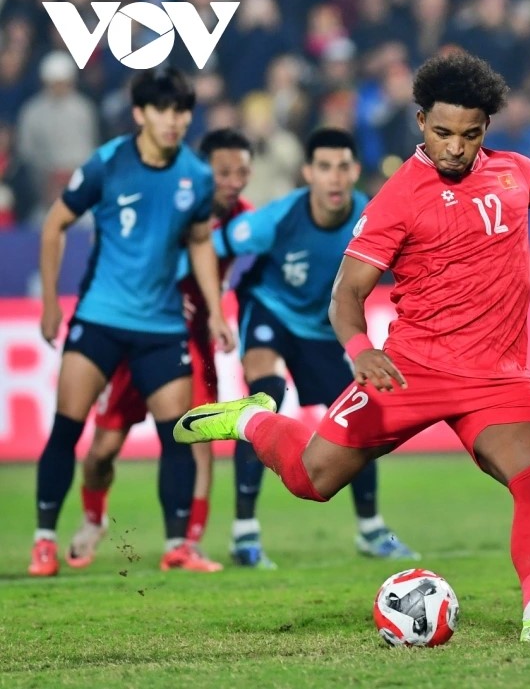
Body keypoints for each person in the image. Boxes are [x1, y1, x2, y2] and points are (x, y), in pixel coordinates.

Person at [174, 52, 530, 641]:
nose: (455, 148)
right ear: (420, 122)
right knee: (312, 480)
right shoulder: (398, 198)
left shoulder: (514, 172)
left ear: (486, 128)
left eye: (469, 134)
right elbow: (346, 293)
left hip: (497, 377)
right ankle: (252, 419)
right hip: (411, 369)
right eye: (442, 133)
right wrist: (360, 349)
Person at [30, 67, 235, 577]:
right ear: (141, 113)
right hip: (99, 319)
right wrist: (51, 303)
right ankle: (44, 541)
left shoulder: (196, 175)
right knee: (68, 430)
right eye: (164, 110)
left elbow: (199, 242)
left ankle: (177, 546)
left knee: (178, 437)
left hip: (161, 327)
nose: (174, 120)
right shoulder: (108, 163)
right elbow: (55, 224)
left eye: (182, 111)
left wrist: (214, 311)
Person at [216, 127, 416, 567]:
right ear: (308, 173)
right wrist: (208, 304)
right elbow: (213, 243)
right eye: (324, 167)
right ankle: (244, 534)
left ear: (355, 171)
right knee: (265, 398)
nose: (334, 178)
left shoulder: (372, 217)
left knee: (363, 416)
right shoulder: (279, 216)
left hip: (321, 331)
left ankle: (371, 530)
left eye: (343, 167)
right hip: (269, 311)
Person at [65, 128, 255, 572]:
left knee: (199, 438)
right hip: (139, 334)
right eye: (224, 172)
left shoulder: (245, 217)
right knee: (103, 448)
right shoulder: (172, 202)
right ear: (203, 171)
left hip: (195, 342)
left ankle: (186, 542)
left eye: (242, 172)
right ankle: (93, 518)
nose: (234, 182)